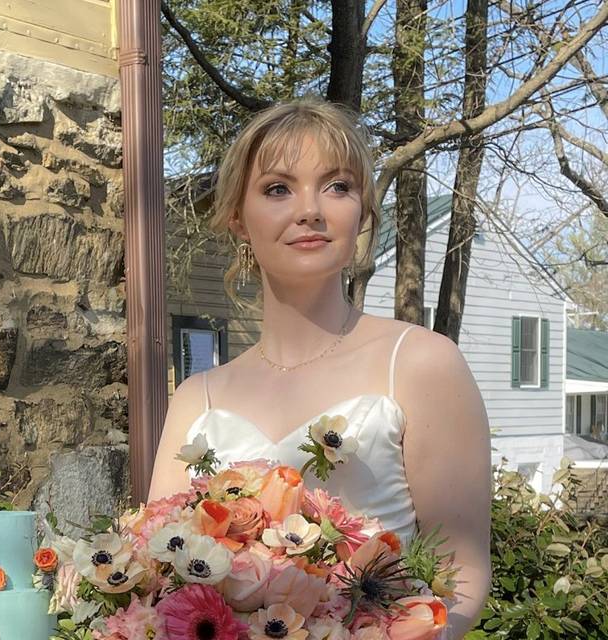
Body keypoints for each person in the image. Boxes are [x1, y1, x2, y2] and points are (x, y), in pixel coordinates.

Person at [147, 99, 492, 638]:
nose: (310, 209)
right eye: (278, 188)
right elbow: (159, 569)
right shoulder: (197, 397)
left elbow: (462, 570)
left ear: (361, 211)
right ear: (238, 217)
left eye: (336, 186)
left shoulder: (422, 364)